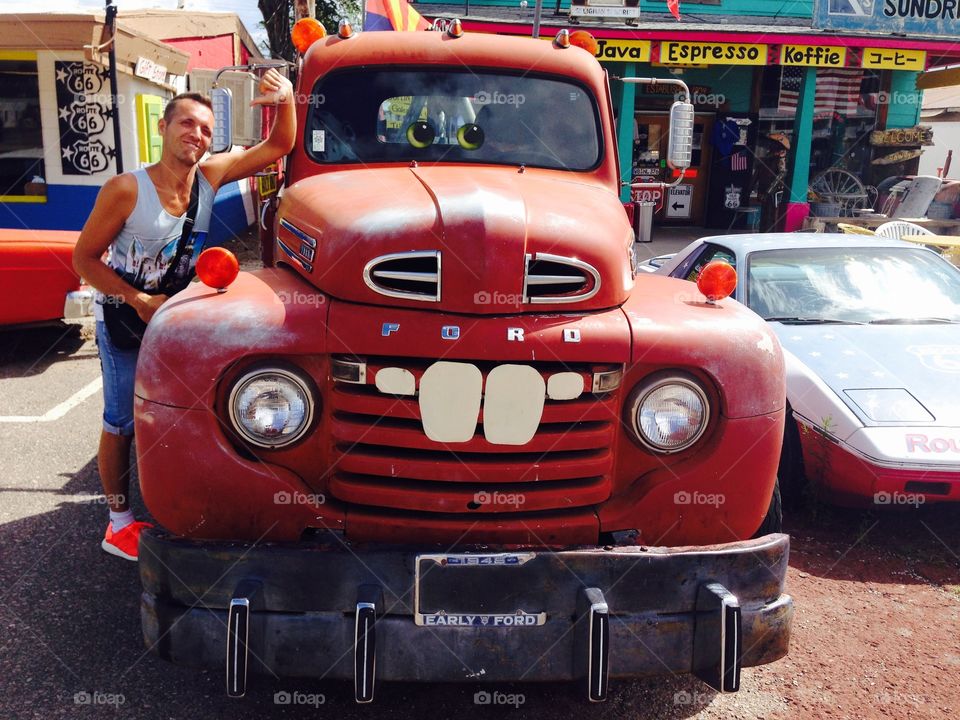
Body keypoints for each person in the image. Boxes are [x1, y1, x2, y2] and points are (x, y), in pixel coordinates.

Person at [73, 69, 296, 561]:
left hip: (177, 318)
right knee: (120, 420)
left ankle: (186, 500)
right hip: (124, 319)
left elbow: (280, 145)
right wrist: (138, 300)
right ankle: (117, 523)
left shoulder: (211, 177)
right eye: (186, 124)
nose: (196, 134)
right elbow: (84, 260)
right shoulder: (126, 190)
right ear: (163, 128)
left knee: (185, 410)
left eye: (205, 129)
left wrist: (286, 98)